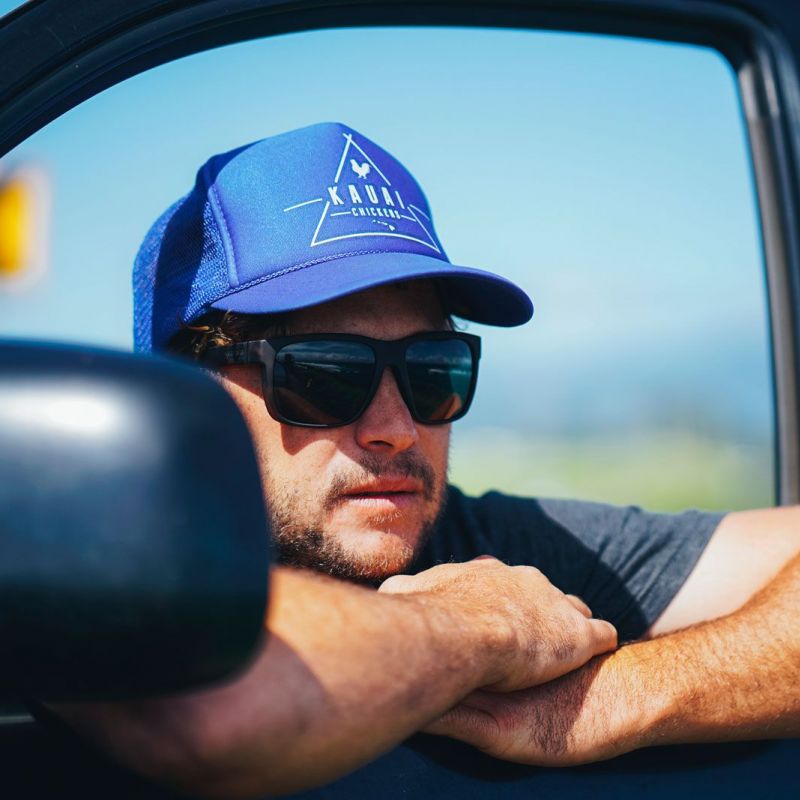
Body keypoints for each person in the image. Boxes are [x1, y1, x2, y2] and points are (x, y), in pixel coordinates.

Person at [54, 123, 799, 798]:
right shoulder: (85, 549)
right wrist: (475, 629)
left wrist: (619, 696)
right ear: (181, 393)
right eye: (323, 373)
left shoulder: (492, 548)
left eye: (434, 369)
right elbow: (215, 710)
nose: (398, 429)